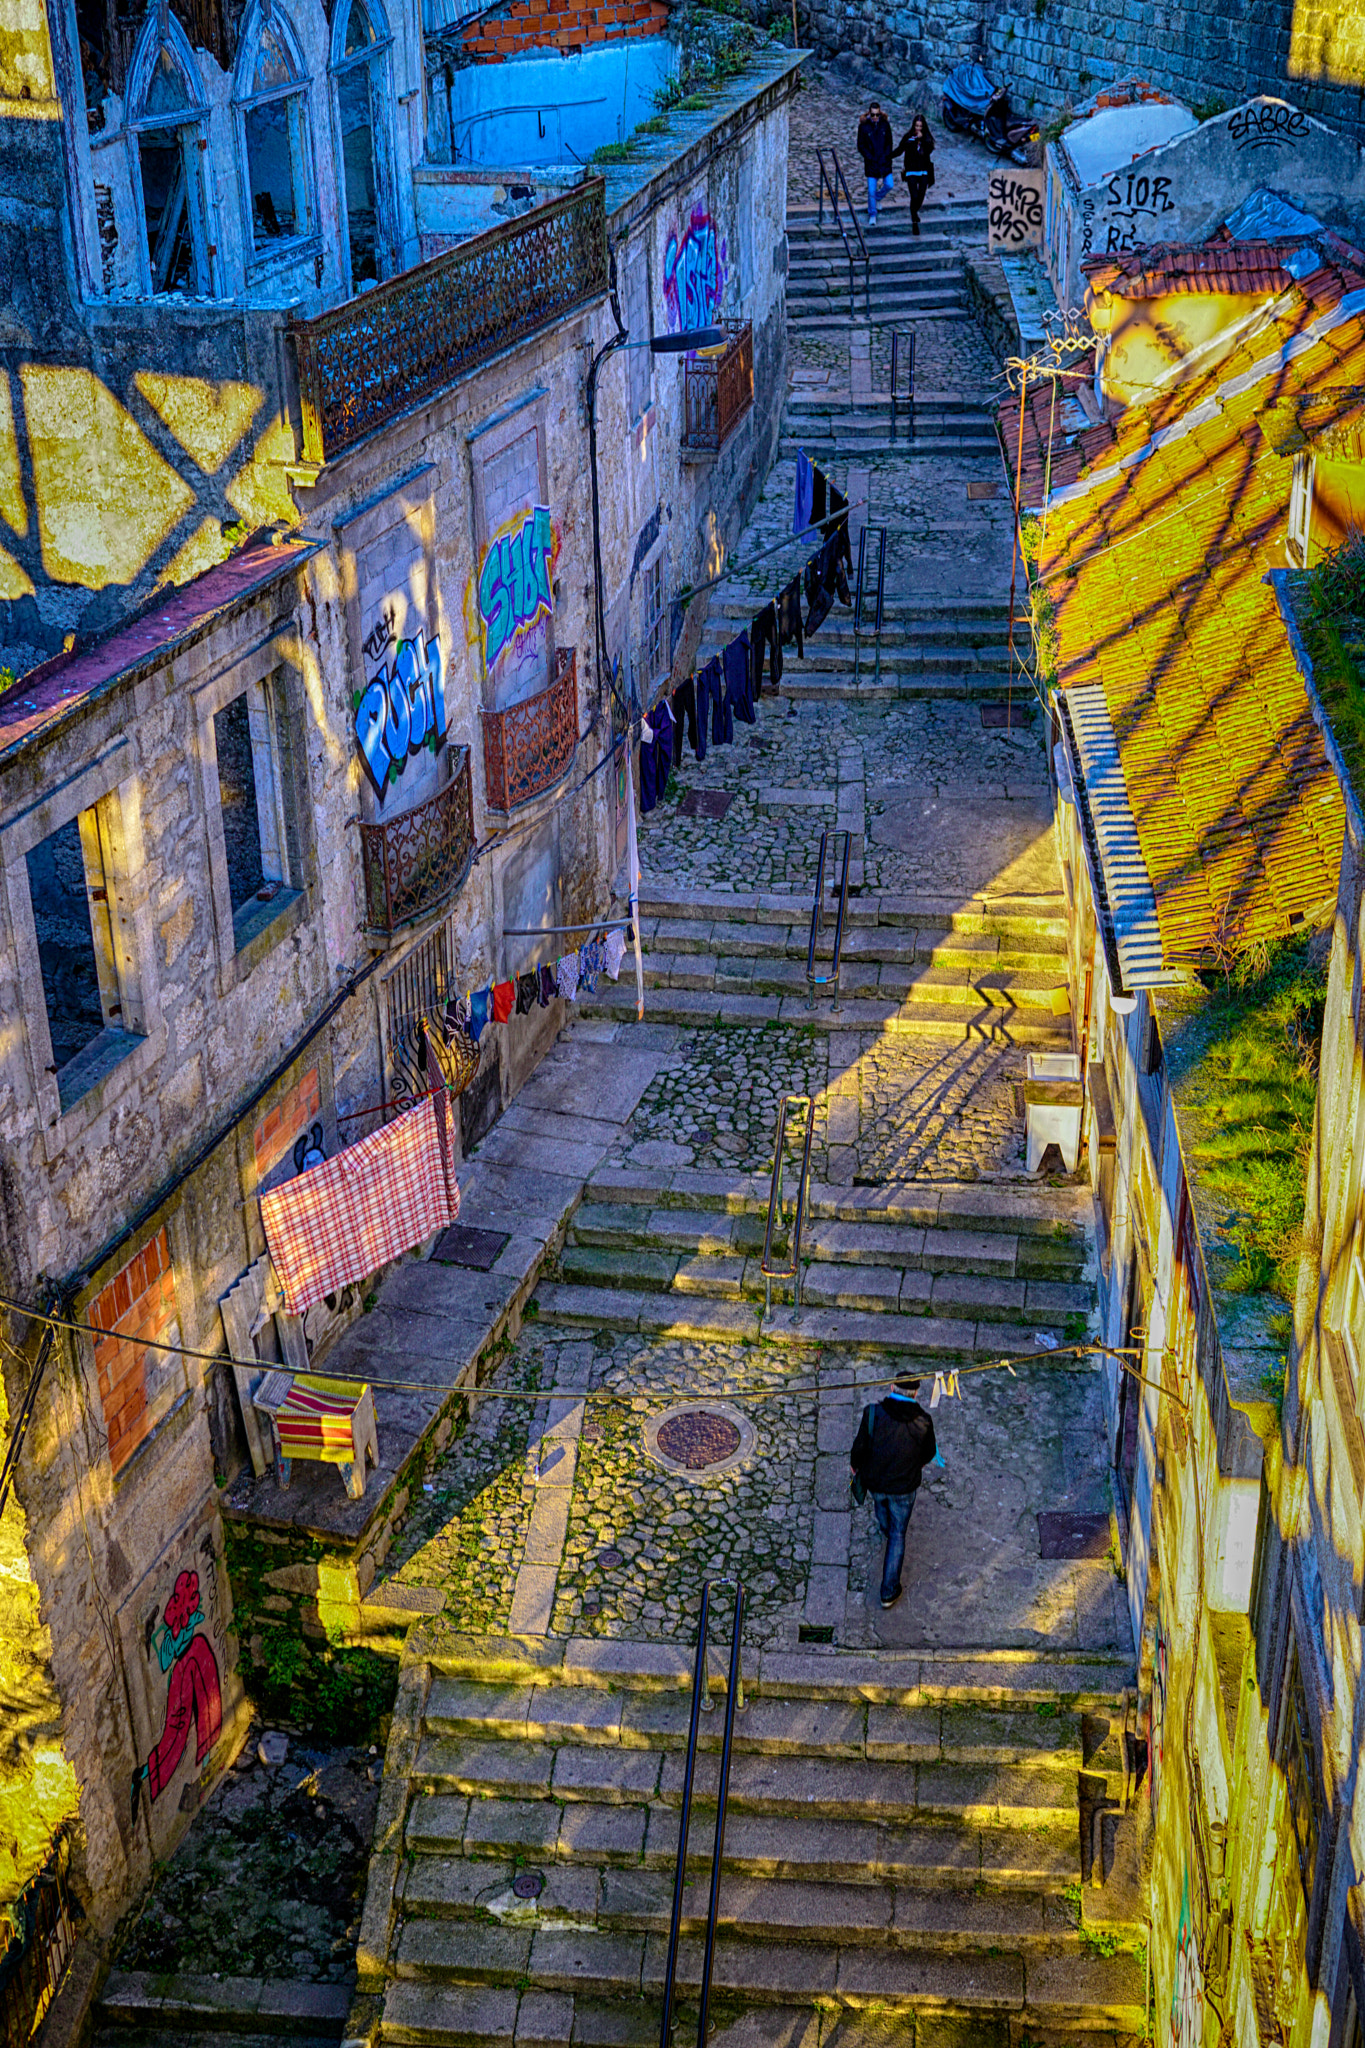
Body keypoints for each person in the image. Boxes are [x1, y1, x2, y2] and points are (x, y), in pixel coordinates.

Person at [850, 1372, 937, 1609]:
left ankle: (885, 1528)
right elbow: (929, 1453)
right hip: (904, 1487)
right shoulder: (924, 1421)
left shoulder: (872, 1413)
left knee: (881, 1507)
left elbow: (859, 1447)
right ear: (916, 1393)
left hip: (876, 1482)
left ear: (891, 1387)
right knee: (899, 1534)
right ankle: (888, 1592)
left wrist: (855, 1466)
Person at [893, 112, 935, 235]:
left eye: (920, 126)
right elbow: (900, 149)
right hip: (911, 170)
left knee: (921, 196)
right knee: (914, 196)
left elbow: (929, 151)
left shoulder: (926, 138)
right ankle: (914, 222)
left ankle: (915, 212)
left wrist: (922, 139)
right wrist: (888, 157)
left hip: (923, 171)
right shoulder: (908, 137)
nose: (918, 128)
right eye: (916, 126)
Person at [856, 101, 894, 226]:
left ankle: (877, 198)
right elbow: (861, 145)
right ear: (869, 114)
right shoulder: (864, 127)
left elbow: (889, 142)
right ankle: (872, 213)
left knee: (889, 184)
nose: (875, 118)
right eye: (873, 115)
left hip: (883, 161)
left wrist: (886, 156)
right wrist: (869, 157)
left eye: (877, 115)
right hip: (872, 162)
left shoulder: (885, 125)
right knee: (871, 190)